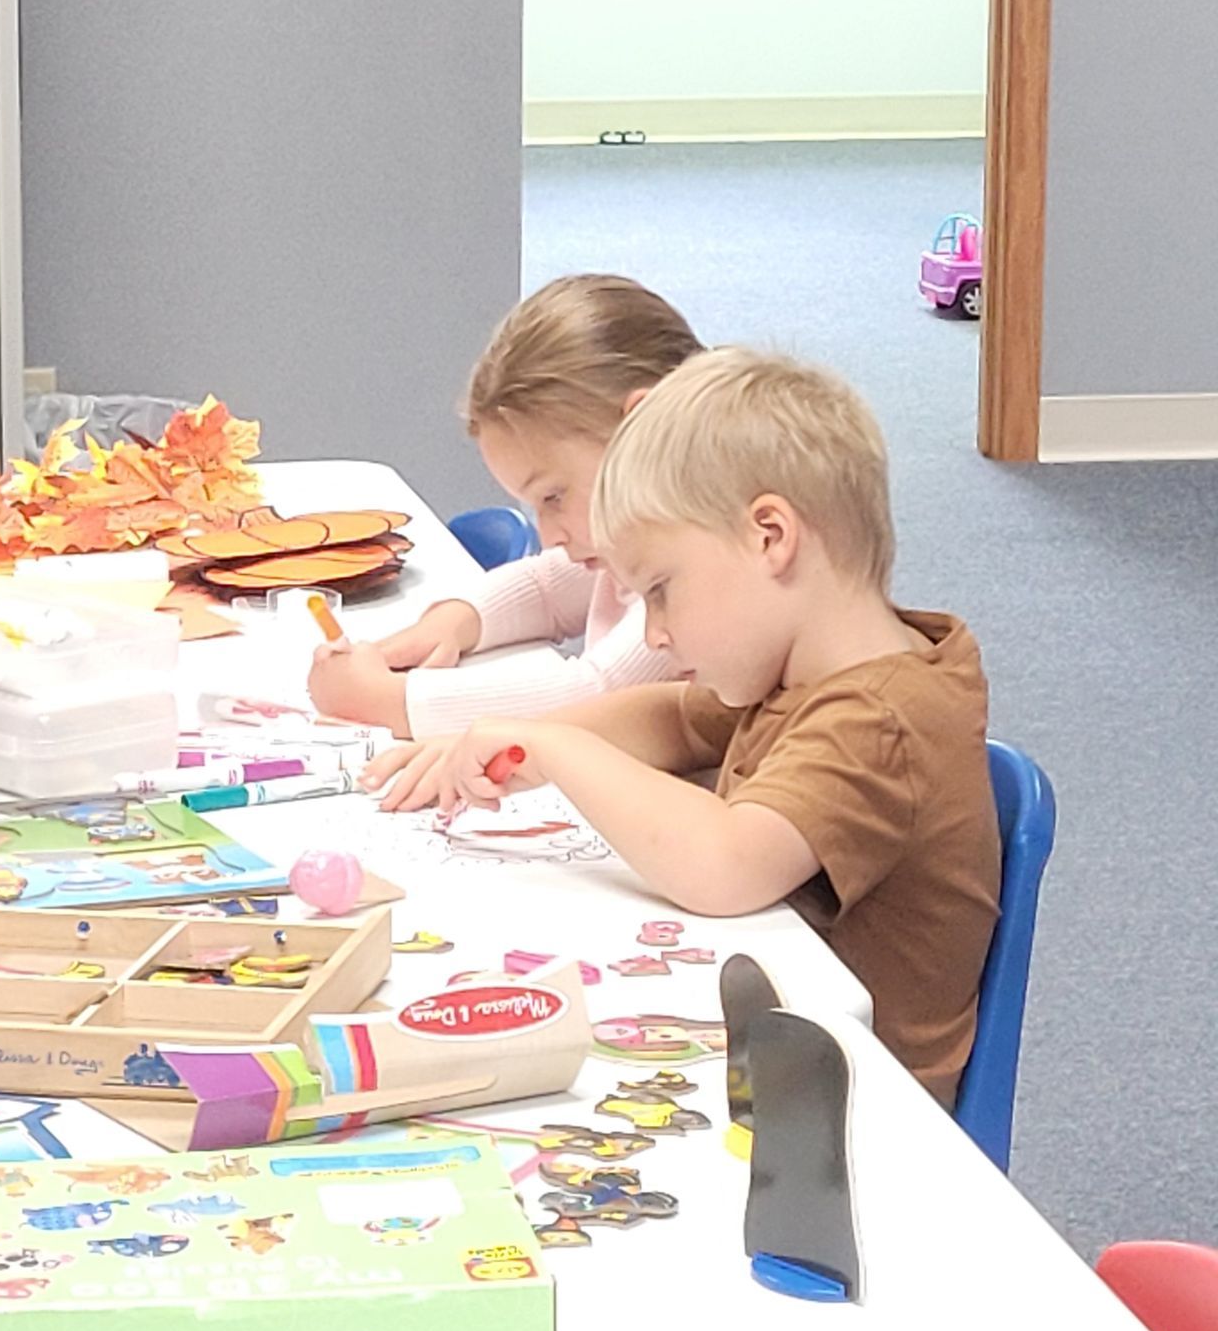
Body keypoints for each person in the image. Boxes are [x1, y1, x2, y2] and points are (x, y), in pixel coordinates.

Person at [366, 349, 1001, 1106]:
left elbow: (725, 864)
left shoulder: (881, 718)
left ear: (771, 536)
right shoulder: (804, 671)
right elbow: (672, 717)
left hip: (855, 1123)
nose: (655, 634)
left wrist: (556, 748)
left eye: (662, 591)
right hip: (778, 1051)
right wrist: (510, 742)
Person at [307, 274, 703, 736]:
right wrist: (455, 621)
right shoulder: (632, 539)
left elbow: (596, 701)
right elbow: (550, 586)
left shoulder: (697, 564)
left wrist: (388, 702)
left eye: (554, 496)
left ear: (644, 428)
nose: (550, 533)